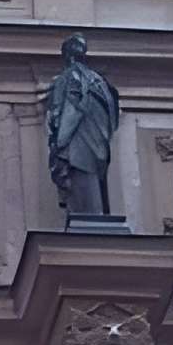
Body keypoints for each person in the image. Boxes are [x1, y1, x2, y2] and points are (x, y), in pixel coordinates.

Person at [45, 32, 120, 218]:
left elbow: (71, 110)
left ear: (67, 55)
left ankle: (85, 216)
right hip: (97, 140)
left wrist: (60, 140)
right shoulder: (99, 81)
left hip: (79, 141)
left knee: (80, 183)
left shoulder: (71, 76)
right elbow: (112, 115)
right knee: (91, 179)